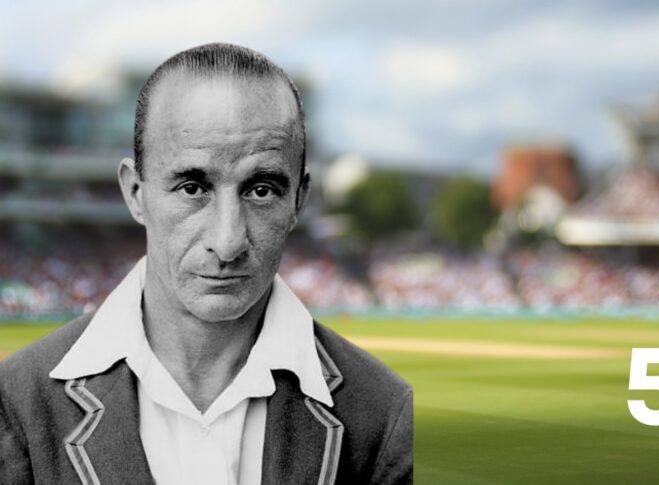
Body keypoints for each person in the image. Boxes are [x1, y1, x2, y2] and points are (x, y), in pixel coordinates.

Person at [0, 43, 412, 485]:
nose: (227, 241)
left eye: (261, 190)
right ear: (135, 193)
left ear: (299, 199)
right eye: (193, 188)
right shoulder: (17, 403)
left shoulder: (384, 414)